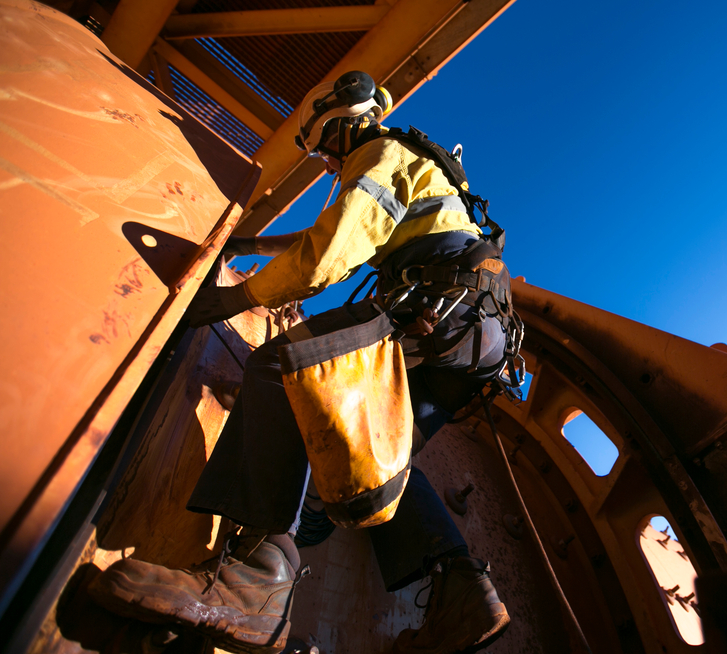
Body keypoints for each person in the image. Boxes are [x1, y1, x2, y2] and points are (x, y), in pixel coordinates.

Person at [88, 71, 522, 654]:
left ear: (343, 125)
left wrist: (239, 296)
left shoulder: (380, 152)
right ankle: (465, 595)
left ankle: (255, 585)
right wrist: (254, 248)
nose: (323, 161)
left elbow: (332, 251)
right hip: (479, 338)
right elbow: (329, 233)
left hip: (438, 311)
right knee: (382, 462)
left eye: (323, 148)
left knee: (285, 370)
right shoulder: (414, 164)